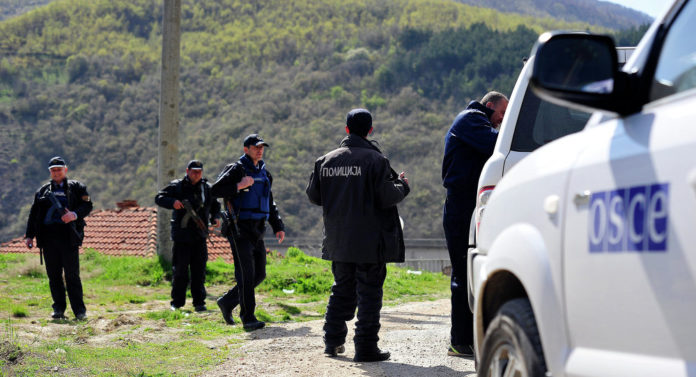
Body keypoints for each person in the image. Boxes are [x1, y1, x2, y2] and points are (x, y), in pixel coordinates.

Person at [306, 108, 410, 362]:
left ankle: (332, 341)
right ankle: (365, 348)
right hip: (369, 241)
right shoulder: (376, 161)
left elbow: (314, 196)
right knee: (369, 293)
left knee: (341, 289)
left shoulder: (325, 161)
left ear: (346, 130)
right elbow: (387, 196)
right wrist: (403, 185)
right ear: (370, 130)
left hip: (338, 239)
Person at [441, 91, 508, 357]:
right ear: (489, 106)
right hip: (460, 206)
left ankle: (469, 338)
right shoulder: (470, 119)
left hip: (470, 205)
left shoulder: (476, 121)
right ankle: (459, 340)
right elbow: (498, 145)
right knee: (461, 272)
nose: (501, 121)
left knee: (470, 272)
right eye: (502, 114)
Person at [212, 134, 285, 331]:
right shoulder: (236, 169)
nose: (259, 150)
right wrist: (238, 185)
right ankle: (248, 317)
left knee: (259, 274)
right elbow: (214, 190)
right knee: (246, 274)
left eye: (262, 147)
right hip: (239, 228)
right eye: (255, 147)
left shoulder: (265, 173)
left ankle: (227, 302)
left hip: (258, 228)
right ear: (246, 149)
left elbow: (269, 200)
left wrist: (277, 225)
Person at [24, 156, 93, 320]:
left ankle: (80, 311)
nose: (56, 173)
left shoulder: (77, 188)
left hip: (69, 238)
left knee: (72, 275)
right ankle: (58, 309)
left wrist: (74, 215)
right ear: (50, 172)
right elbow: (34, 214)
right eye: (53, 170)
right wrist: (29, 235)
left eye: (59, 169)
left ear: (65, 170)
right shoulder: (42, 191)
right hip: (48, 239)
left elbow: (88, 205)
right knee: (53, 276)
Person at [155, 160, 221, 312]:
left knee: (199, 271)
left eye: (199, 171)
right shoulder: (177, 186)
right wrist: (173, 202)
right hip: (182, 236)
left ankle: (199, 302)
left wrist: (215, 218)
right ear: (187, 171)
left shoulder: (207, 188)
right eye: (193, 171)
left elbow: (216, 206)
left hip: (199, 235)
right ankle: (177, 303)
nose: (196, 174)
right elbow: (159, 197)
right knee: (180, 270)